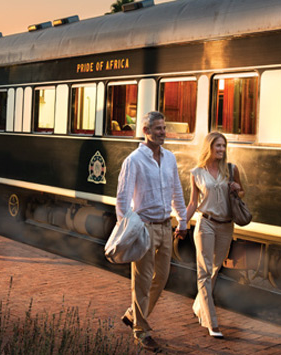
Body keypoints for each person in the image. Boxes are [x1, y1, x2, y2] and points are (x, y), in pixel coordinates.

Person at [116, 111, 188, 351]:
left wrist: (183, 220)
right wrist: (126, 230)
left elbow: (176, 189)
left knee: (162, 277)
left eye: (164, 128)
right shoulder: (134, 160)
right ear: (145, 131)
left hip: (166, 225)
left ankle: (132, 314)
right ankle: (141, 330)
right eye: (158, 128)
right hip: (145, 227)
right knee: (143, 281)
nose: (163, 132)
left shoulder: (169, 158)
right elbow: (123, 200)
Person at [185, 132, 244, 339]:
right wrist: (182, 222)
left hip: (226, 226)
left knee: (215, 269)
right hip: (205, 224)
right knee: (204, 272)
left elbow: (242, 192)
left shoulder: (231, 169)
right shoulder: (196, 173)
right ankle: (212, 323)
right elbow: (193, 202)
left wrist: (238, 189)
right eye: (218, 146)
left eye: (223, 146)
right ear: (209, 147)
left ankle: (199, 305)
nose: (221, 150)